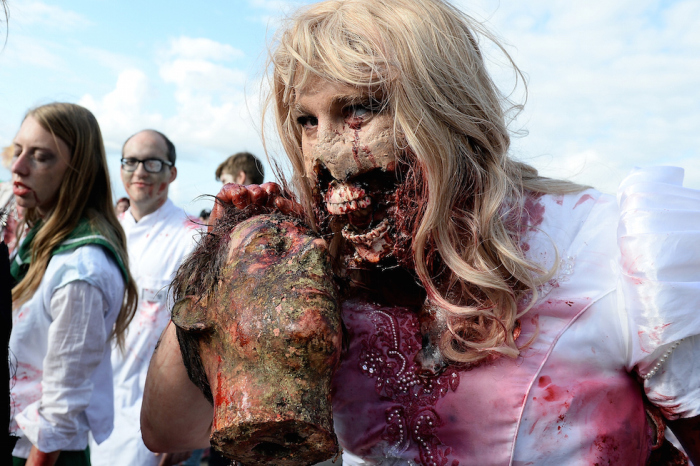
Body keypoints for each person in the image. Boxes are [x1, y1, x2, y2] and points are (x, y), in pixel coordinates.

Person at [140, 0, 700, 464]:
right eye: (307, 122)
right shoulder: (320, 283)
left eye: (359, 109)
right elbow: (170, 427)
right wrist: (219, 264)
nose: (329, 152)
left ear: (444, 107)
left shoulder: (613, 245)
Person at [8, 102, 137, 465]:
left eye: (41, 157)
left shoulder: (81, 267)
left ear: (78, 171)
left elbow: (61, 405)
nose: (17, 167)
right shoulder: (39, 234)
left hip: (37, 453)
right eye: (17, 151)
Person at [89, 130, 198, 466]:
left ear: (172, 172)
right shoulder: (106, 234)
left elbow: (201, 338)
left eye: (152, 162)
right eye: (131, 161)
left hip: (149, 411)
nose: (139, 171)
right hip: (92, 403)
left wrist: (185, 427)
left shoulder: (192, 238)